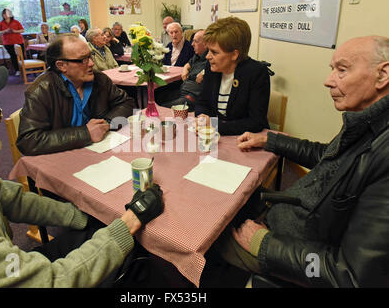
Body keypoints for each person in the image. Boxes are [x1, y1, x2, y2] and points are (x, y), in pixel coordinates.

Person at [0, 66, 163, 288]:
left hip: (8, 265)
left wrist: (84, 217)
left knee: (105, 234)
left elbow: (17, 201)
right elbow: (53, 280)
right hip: (36, 276)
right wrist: (130, 220)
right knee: (137, 264)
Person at [215, 36, 389, 287]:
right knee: (224, 194)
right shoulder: (367, 121)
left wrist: (265, 244)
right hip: (290, 218)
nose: (328, 81)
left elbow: (351, 276)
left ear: (382, 75)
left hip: (291, 246)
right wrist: (269, 140)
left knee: (208, 237)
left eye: (341, 70)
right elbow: (326, 155)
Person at [16, 34, 134, 156]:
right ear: (61, 66)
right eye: (83, 60)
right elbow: (28, 140)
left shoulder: (99, 79)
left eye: (90, 56)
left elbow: (126, 102)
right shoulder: (41, 91)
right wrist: (85, 134)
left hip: (99, 152)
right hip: (61, 159)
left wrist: (106, 124)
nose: (91, 63)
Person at [195, 17, 270, 136]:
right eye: (208, 50)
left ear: (234, 54)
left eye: (214, 52)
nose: (207, 57)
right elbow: (202, 102)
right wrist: (202, 117)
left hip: (245, 140)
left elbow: (256, 122)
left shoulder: (256, 73)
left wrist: (215, 125)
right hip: (215, 137)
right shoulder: (211, 68)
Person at [161, 30, 208, 111]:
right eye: (192, 41)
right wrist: (185, 69)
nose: (192, 44)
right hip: (183, 89)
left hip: (193, 95)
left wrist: (204, 72)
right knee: (157, 95)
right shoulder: (197, 55)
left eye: (195, 41)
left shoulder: (211, 58)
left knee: (163, 107)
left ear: (206, 44)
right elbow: (188, 64)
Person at [0, 8, 25, 76]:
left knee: (21, 56)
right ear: (3, 15)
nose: (6, 15)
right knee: (13, 56)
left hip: (18, 41)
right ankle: (17, 70)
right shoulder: (1, 23)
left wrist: (15, 31)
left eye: (7, 13)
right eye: (4, 14)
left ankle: (24, 69)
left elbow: (22, 30)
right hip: (8, 43)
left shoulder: (16, 22)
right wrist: (5, 31)